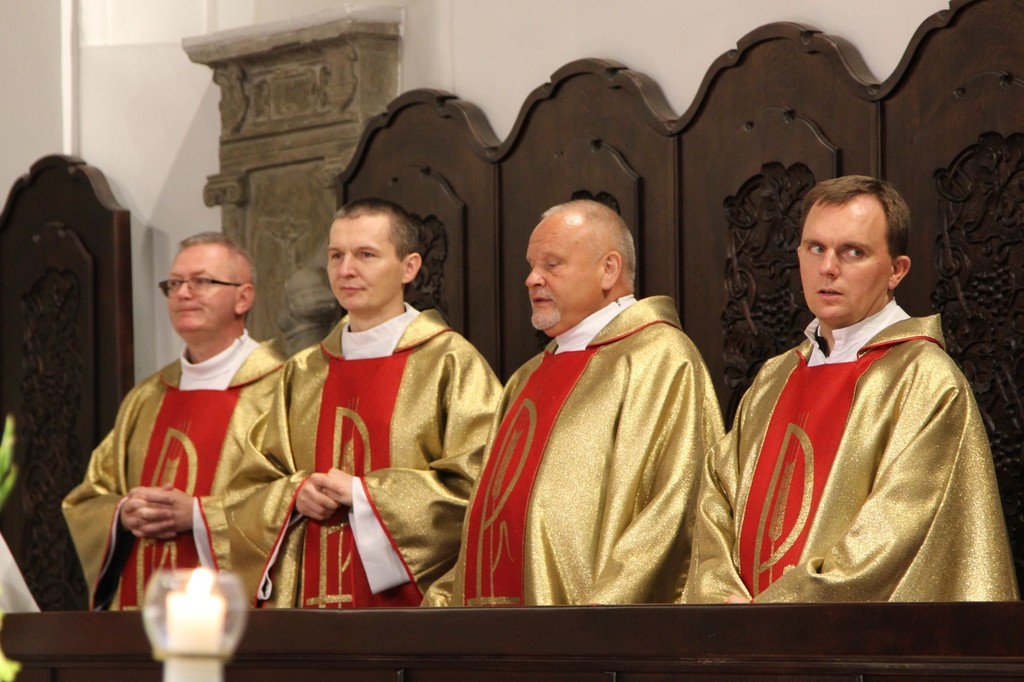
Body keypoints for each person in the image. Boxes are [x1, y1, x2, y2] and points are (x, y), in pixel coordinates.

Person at [686, 175, 1018, 603]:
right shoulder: (774, 377)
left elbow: (890, 537)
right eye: (816, 248)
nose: (828, 267)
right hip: (742, 634)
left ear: (896, 270)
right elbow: (717, 502)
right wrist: (722, 601)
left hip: (855, 641)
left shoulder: (924, 379)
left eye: (853, 252)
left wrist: (772, 613)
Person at [424, 199, 724, 606]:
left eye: (552, 264)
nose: (532, 279)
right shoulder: (526, 377)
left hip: (590, 628)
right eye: (531, 266)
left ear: (609, 269)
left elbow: (676, 503)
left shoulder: (658, 357)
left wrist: (600, 616)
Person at [225, 198, 501, 608]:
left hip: (412, 612)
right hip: (308, 609)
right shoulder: (304, 371)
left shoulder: (450, 362)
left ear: (409, 267)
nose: (346, 270)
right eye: (336, 256)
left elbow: (481, 489)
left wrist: (364, 495)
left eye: (366, 255)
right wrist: (293, 496)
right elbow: (249, 488)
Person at [63, 233, 285, 609]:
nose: (183, 293)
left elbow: (290, 499)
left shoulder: (280, 388)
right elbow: (90, 495)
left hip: (233, 612)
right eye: (174, 283)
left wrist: (199, 516)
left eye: (201, 281)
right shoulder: (147, 397)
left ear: (243, 297)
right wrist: (122, 514)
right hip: (142, 605)